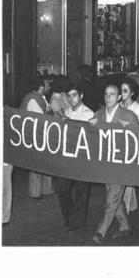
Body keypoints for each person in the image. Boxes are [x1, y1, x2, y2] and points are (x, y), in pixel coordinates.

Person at [90, 84, 139, 245]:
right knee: (114, 196)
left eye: (112, 94)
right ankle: (125, 226)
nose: (108, 97)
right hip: (105, 163)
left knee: (111, 199)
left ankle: (100, 232)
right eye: (106, 94)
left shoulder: (129, 115)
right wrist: (90, 126)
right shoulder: (98, 114)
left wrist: (130, 128)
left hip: (122, 165)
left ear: (119, 97)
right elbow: (88, 137)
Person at [56, 83, 94, 233]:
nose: (72, 99)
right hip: (67, 158)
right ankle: (70, 217)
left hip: (82, 158)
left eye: (75, 95)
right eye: (69, 96)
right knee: (62, 189)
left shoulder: (89, 114)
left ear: (81, 96)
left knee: (81, 191)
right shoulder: (66, 112)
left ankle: (77, 222)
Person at [21, 77, 54, 199]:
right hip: (34, 136)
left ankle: (47, 189)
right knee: (36, 164)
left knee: (46, 162)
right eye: (47, 85)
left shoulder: (41, 98)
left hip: (42, 134)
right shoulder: (32, 100)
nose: (49, 87)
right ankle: (35, 192)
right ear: (41, 87)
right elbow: (43, 118)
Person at [120, 77, 139, 213]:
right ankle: (130, 205)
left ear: (131, 93)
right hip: (119, 144)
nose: (122, 93)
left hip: (132, 145)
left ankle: (125, 207)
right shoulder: (118, 105)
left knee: (127, 176)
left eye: (125, 90)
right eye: (121, 90)